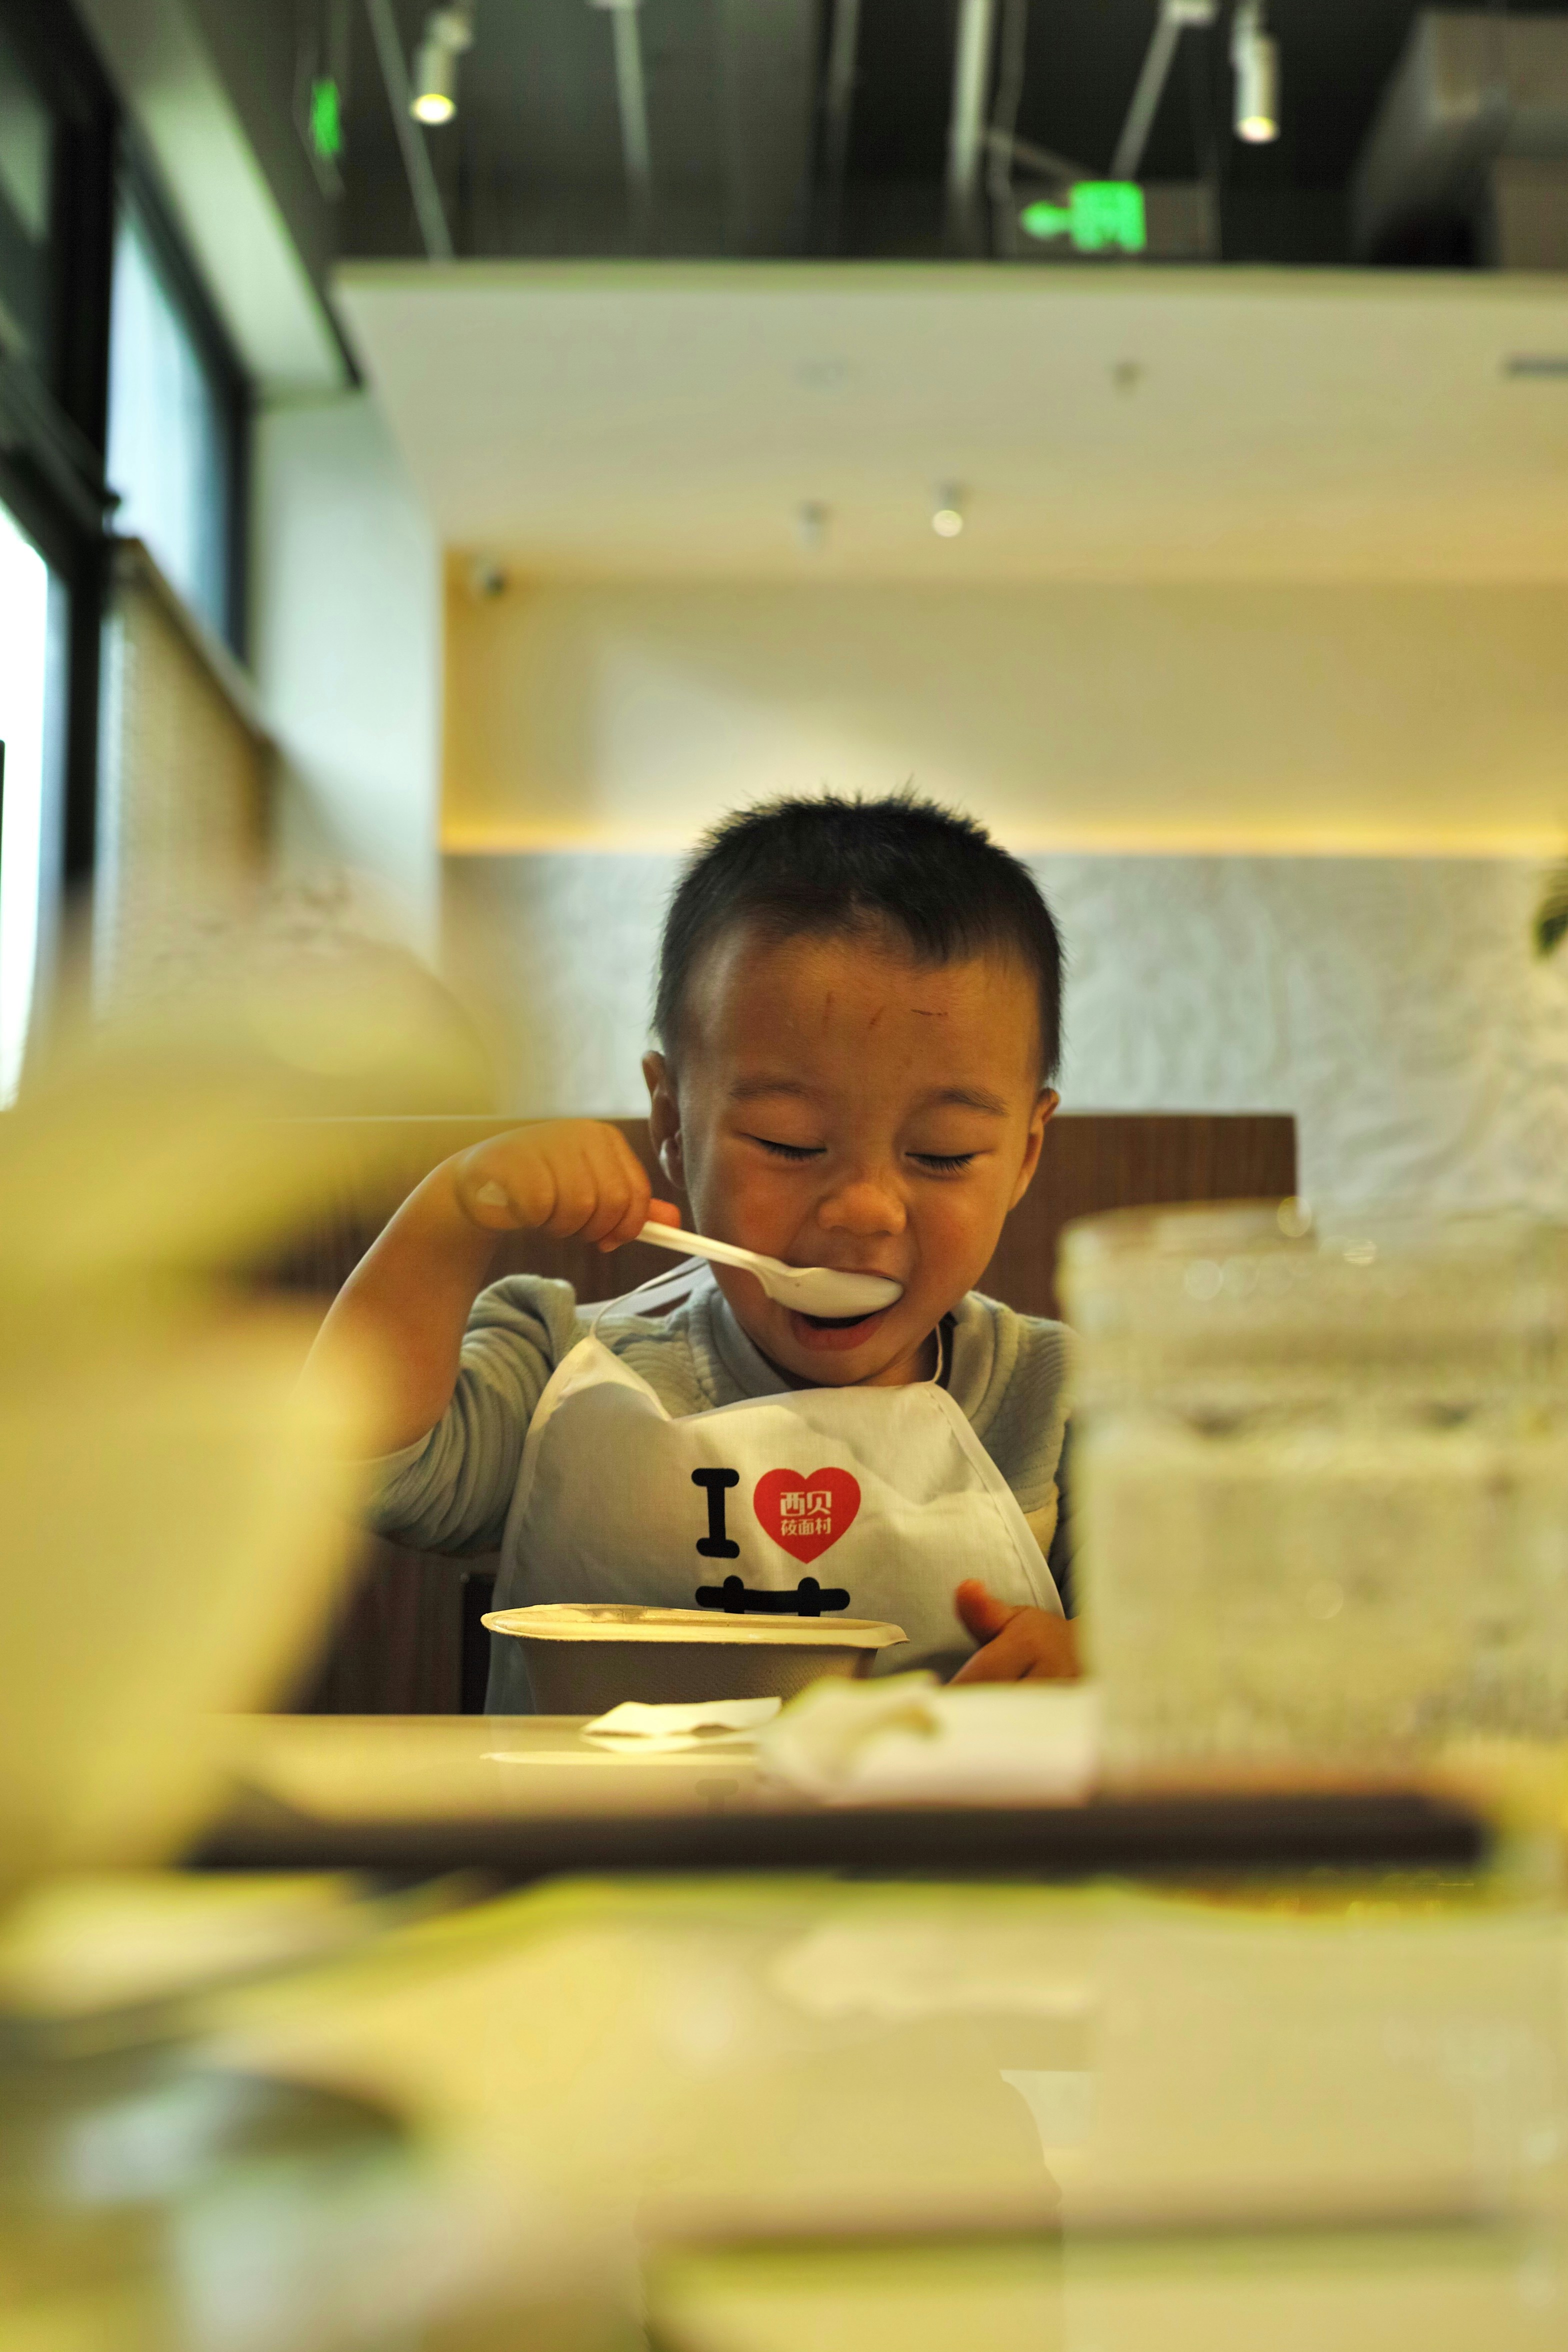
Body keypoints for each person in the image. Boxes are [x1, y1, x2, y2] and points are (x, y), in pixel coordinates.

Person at [314, 794, 1078, 1708]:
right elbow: (367, 1463)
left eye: (942, 1155)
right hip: (595, 1848)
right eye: (790, 1142)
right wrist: (451, 1213)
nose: (865, 1211)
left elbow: (1211, 1649)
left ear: (1026, 1153)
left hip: (931, 1852)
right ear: (674, 1123)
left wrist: (1104, 1663)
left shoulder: (1065, 1404)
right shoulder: (567, 1364)